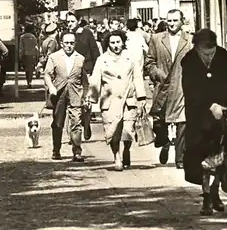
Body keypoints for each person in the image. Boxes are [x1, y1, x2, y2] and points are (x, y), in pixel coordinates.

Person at [181, 29, 227, 215]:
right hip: (199, 115)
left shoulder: (224, 56)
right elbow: (189, 89)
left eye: (211, 48)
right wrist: (209, 105)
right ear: (196, 46)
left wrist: (226, 110)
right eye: (204, 49)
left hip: (223, 112)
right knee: (202, 157)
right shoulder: (188, 60)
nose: (208, 53)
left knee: (222, 156)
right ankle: (206, 196)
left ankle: (216, 191)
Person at [88, 30, 147, 170]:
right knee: (113, 132)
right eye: (112, 42)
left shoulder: (130, 58)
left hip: (128, 99)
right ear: (108, 44)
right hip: (110, 101)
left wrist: (141, 96)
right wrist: (92, 99)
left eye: (118, 42)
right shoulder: (102, 60)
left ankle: (126, 149)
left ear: (123, 42)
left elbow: (138, 77)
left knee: (128, 129)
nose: (115, 45)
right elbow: (96, 80)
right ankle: (117, 157)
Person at [145, 9, 193, 169]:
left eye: (175, 20)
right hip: (163, 87)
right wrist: (157, 73)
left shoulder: (190, 40)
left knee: (183, 123)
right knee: (160, 122)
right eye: (169, 20)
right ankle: (164, 142)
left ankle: (181, 158)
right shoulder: (157, 39)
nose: (172, 24)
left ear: (182, 21)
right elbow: (149, 62)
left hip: (182, 87)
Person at [44, 31, 90, 162]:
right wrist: (51, 87)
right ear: (61, 44)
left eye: (71, 43)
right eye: (66, 43)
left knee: (76, 122)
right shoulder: (54, 57)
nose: (69, 45)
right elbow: (47, 74)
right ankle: (56, 149)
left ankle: (77, 151)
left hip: (76, 94)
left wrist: (86, 96)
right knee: (58, 123)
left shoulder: (80, 58)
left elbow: (84, 79)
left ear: (75, 43)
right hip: (59, 94)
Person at [38, 23, 60, 108]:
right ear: (56, 31)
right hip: (52, 63)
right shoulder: (53, 41)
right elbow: (50, 54)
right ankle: (51, 103)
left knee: (47, 82)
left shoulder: (45, 41)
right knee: (52, 82)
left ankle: (48, 102)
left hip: (46, 63)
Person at [19, 24, 39, 89]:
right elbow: (36, 47)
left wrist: (20, 56)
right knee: (31, 70)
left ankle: (28, 82)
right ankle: (30, 82)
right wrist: (37, 56)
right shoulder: (33, 37)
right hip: (32, 55)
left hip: (25, 55)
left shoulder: (22, 37)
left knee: (26, 70)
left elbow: (21, 48)